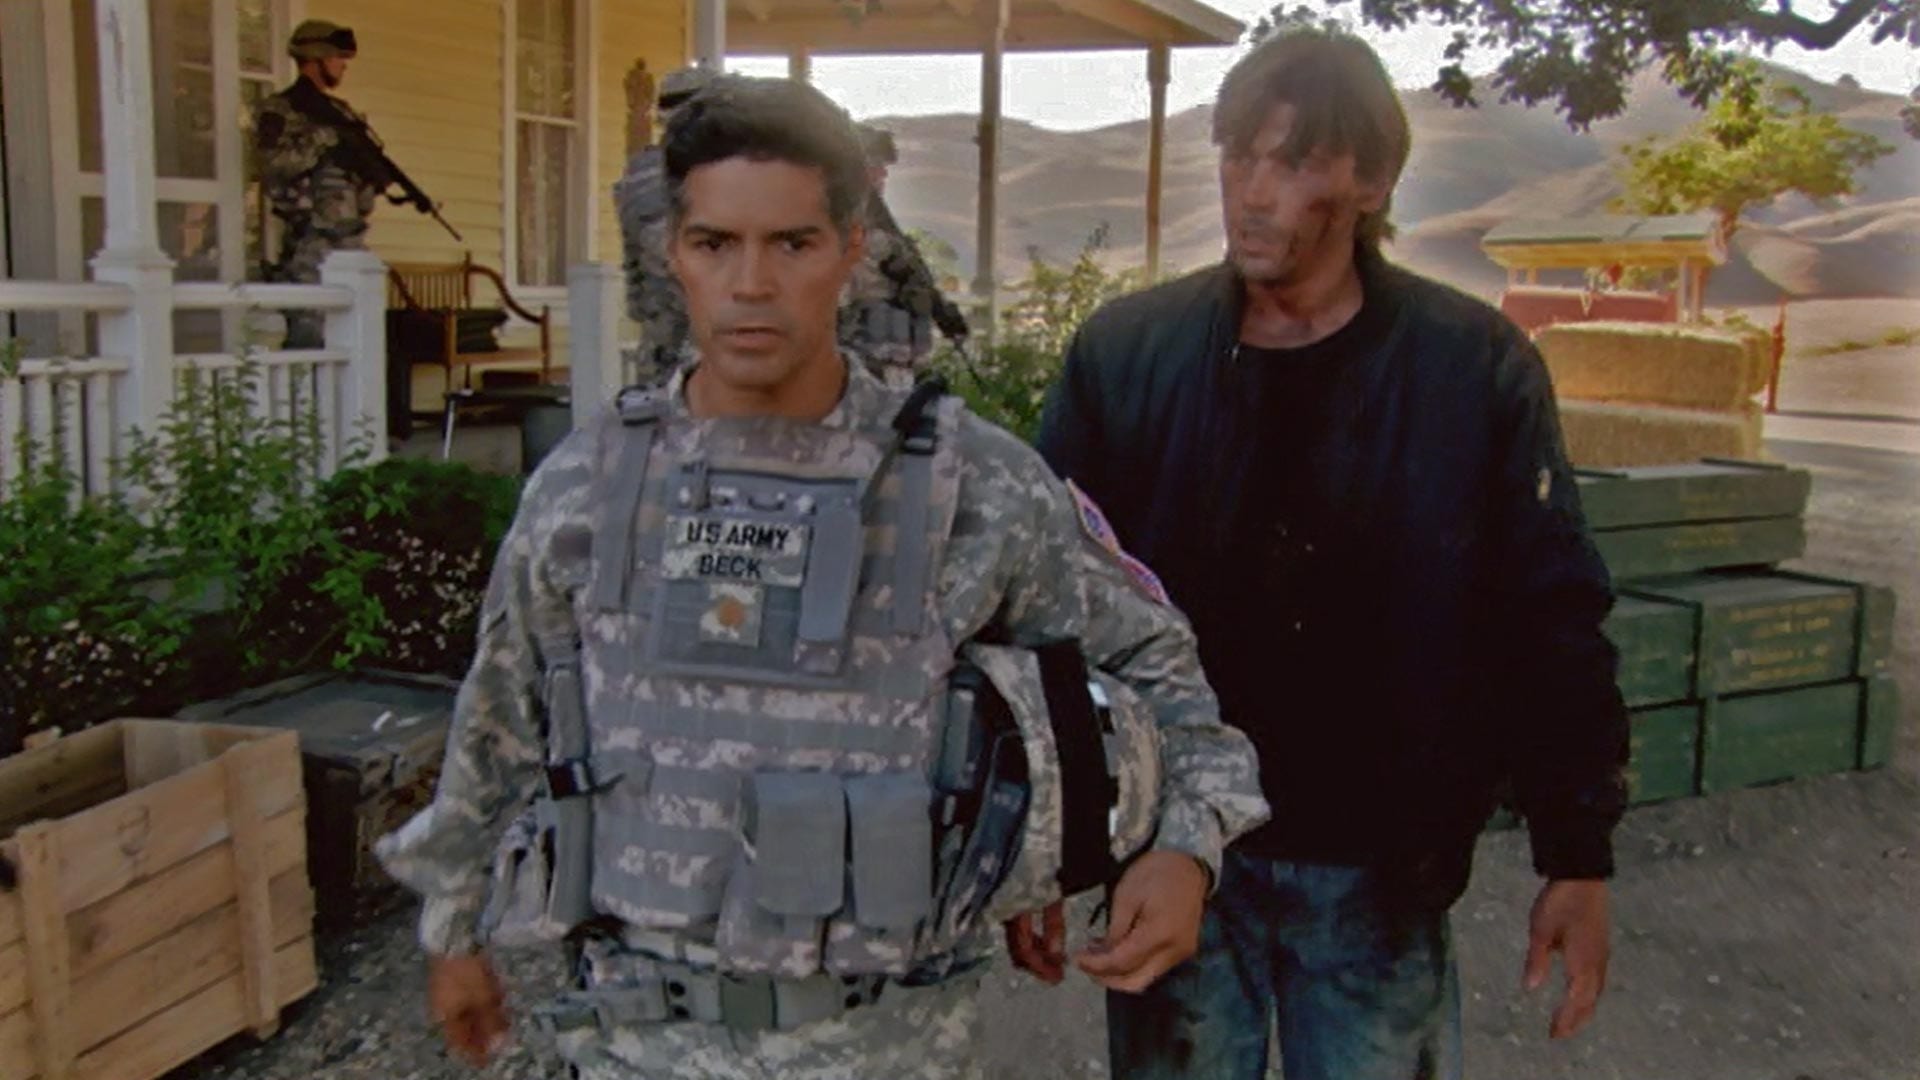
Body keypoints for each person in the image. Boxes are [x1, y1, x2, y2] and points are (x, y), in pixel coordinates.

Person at [375, 74, 1269, 1080]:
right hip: (635, 1046)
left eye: (792, 243)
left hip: (892, 1050)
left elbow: (1158, 668)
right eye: (716, 243)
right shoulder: (585, 490)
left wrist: (1184, 848)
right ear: (673, 253)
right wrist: (452, 924)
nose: (751, 283)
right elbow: (499, 717)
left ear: (851, 249)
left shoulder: (974, 488)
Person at [1034, 26, 1631, 1080]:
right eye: (1238, 156)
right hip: (1177, 853)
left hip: (1380, 867)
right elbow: (1049, 607)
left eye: (1295, 161)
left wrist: (1576, 856)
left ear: (1372, 181)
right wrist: (1046, 841)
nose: (1253, 191)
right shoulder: (1127, 356)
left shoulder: (1469, 368)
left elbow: (1550, 612)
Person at [253, 20, 381, 350]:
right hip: (307, 243)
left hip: (348, 244)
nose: (343, 66)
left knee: (356, 340)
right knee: (309, 335)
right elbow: (272, 165)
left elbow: (361, 196)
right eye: (337, 57)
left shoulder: (342, 113)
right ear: (315, 57)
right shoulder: (281, 109)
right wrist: (321, 139)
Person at [840, 124, 971, 389]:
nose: (883, 174)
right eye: (875, 165)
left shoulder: (875, 220)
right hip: (863, 355)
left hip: (892, 356)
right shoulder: (842, 227)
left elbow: (915, 281)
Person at [612, 66, 716, 387]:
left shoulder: (637, 175)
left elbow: (635, 276)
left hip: (664, 339)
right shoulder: (682, 175)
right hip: (695, 340)